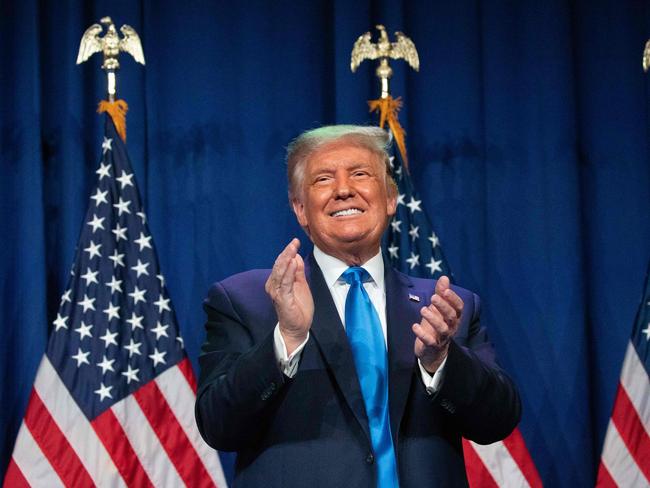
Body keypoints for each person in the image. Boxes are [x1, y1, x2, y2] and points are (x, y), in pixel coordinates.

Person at [195, 125, 521, 487]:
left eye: (360, 174)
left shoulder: (445, 308)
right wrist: (286, 338)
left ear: (390, 199)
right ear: (300, 209)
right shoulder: (246, 300)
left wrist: (441, 361)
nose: (344, 190)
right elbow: (218, 427)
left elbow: (497, 422)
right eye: (323, 179)